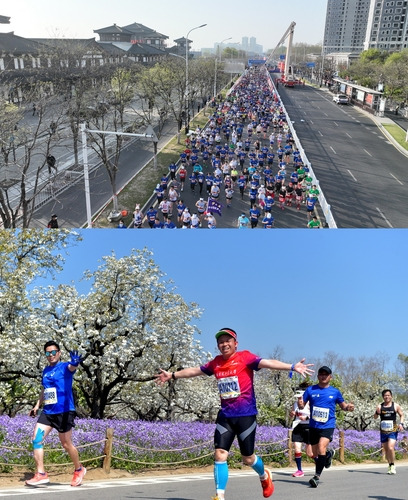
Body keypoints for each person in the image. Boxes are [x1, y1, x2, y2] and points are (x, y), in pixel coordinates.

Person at [156, 327, 313, 500]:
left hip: (246, 415)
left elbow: (268, 363)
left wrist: (291, 366)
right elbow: (195, 371)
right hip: (225, 416)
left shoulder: (245, 357)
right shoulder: (215, 363)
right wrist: (172, 375)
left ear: (235, 343)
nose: (224, 344)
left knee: (248, 458)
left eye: (227, 341)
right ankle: (219, 496)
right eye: (221, 342)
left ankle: (264, 475)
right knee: (219, 454)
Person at [25, 341, 86, 487]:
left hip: (64, 412)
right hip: (48, 412)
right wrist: (37, 405)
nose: (51, 355)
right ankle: (41, 473)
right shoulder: (46, 370)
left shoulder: (65, 367)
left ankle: (79, 469)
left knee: (66, 444)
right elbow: (44, 390)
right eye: (48, 353)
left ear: (58, 353)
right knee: (36, 439)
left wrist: (75, 363)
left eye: (53, 352)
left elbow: (72, 367)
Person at [302, 366, 355, 488]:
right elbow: (301, 406)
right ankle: (328, 455)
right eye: (321, 374)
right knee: (314, 453)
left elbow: (343, 406)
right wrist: (299, 406)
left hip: (328, 425)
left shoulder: (335, 392)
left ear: (330, 377)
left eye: (326, 374)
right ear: (318, 376)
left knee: (321, 447)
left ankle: (316, 477)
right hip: (314, 426)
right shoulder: (310, 390)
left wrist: (348, 407)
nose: (323, 376)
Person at [373, 389, 404, 474]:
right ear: (383, 397)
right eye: (385, 395)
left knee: (391, 447)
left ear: (391, 396)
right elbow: (375, 417)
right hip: (383, 430)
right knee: (386, 450)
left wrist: (401, 424)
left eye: (388, 395)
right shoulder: (380, 406)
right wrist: (376, 412)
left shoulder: (395, 406)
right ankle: (389, 464)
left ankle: (393, 465)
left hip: (393, 429)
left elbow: (401, 415)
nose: (387, 397)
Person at [289, 383, 313, 477]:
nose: (299, 400)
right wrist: (292, 414)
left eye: (300, 398)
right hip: (298, 427)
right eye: (298, 398)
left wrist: (306, 418)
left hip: (308, 427)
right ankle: (299, 470)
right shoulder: (295, 404)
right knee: (297, 448)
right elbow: (292, 416)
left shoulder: (310, 403)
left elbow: (315, 416)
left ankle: (321, 461)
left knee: (309, 453)